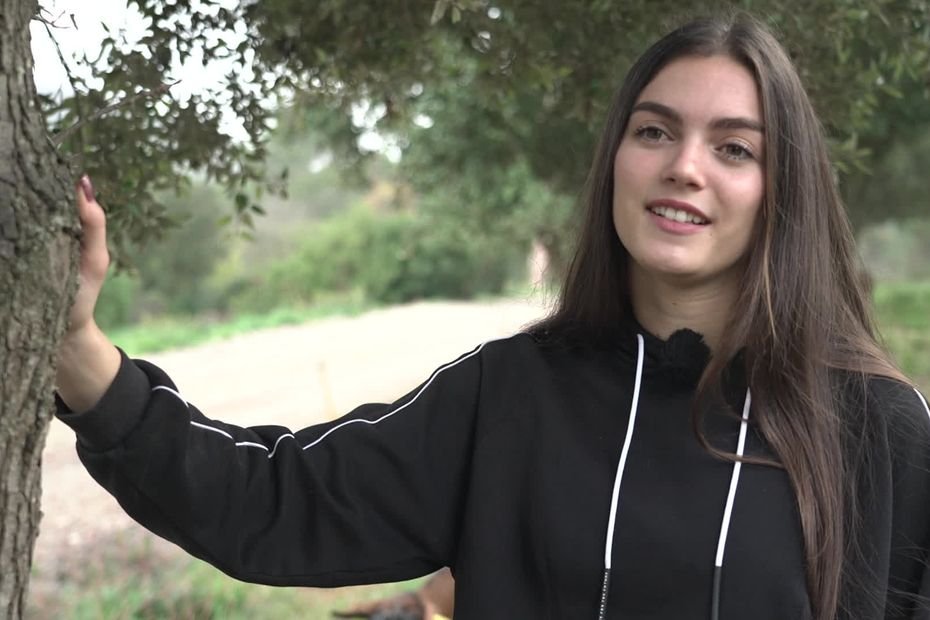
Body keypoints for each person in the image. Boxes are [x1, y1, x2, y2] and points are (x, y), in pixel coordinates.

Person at [55, 11, 930, 620]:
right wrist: (79, 352)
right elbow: (270, 503)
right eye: (655, 132)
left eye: (734, 148)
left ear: (785, 191)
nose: (685, 168)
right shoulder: (511, 396)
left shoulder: (875, 427)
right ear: (616, 161)